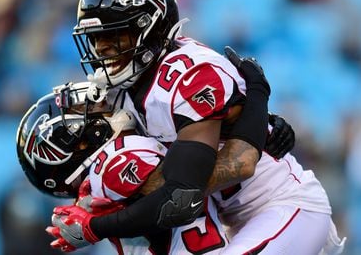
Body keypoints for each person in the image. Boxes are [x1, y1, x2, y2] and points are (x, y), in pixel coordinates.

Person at [48, 0, 345, 254]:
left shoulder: (191, 75)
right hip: (232, 220)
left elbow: (186, 195)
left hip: (281, 206)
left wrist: (97, 226)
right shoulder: (126, 87)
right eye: (97, 39)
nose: (102, 49)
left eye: (114, 35)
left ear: (148, 26)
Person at [16, 82, 231, 254]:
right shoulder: (115, 159)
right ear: (76, 143)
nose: (99, 105)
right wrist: (254, 109)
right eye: (82, 109)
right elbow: (186, 190)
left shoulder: (96, 183)